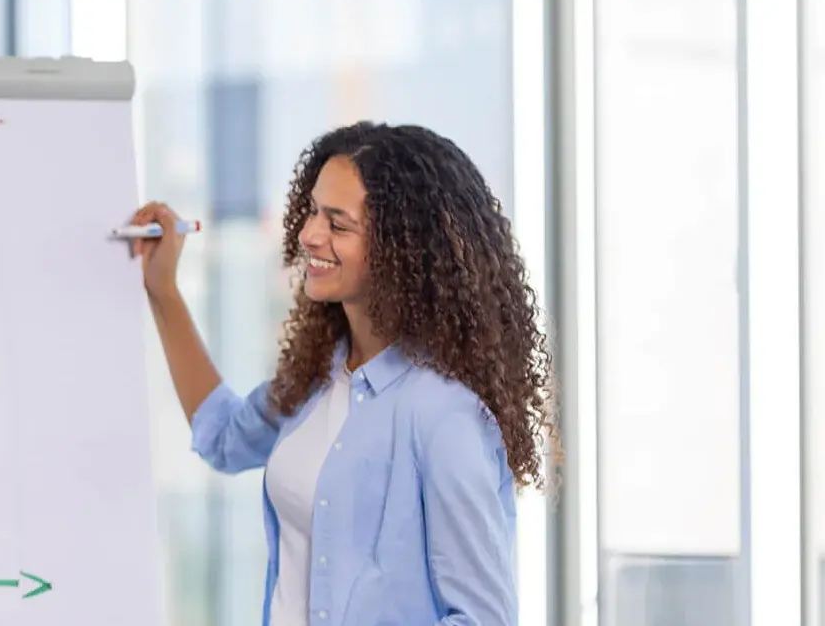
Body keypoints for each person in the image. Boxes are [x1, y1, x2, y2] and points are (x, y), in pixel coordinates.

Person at [128, 122, 558, 625]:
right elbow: (224, 435)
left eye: (338, 223)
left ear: (404, 247)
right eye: (312, 211)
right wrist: (164, 292)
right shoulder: (315, 378)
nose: (309, 234)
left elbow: (484, 619)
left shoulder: (445, 416)